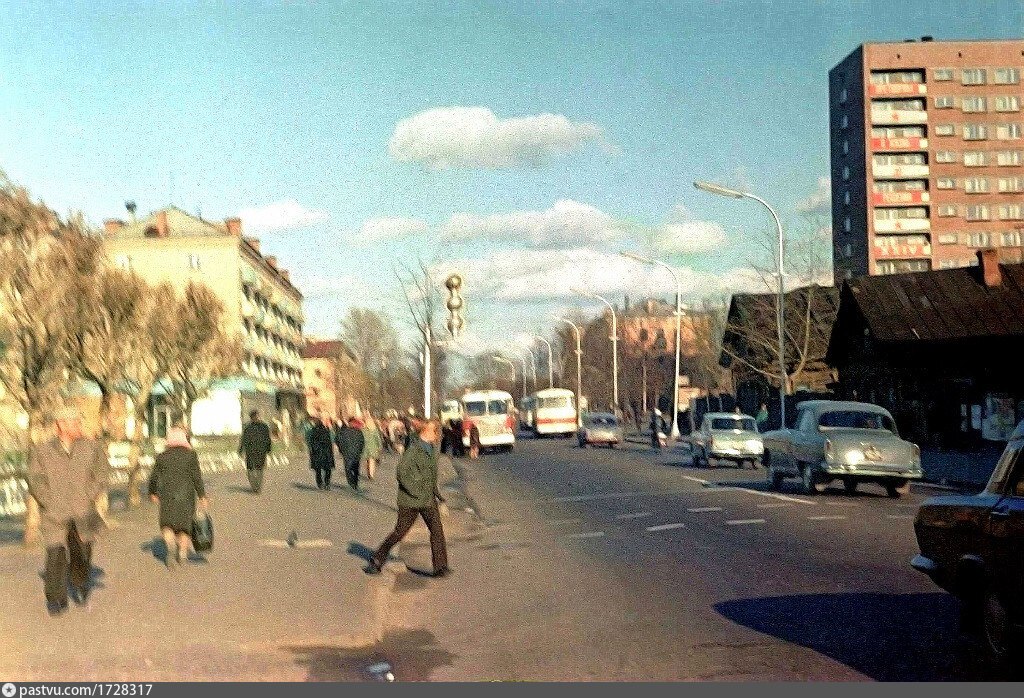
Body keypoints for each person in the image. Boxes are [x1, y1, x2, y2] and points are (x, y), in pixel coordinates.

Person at [26, 406, 110, 615]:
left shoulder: (92, 447)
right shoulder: (42, 450)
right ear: (61, 425)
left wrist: (90, 494)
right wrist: (47, 500)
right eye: (75, 423)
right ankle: (56, 599)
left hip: (83, 510)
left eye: (79, 422)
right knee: (55, 553)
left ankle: (80, 581)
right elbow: (34, 479)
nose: (79, 426)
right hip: (54, 512)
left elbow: (102, 473)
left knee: (82, 551)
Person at [364, 419, 449, 578]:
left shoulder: (431, 449)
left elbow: (431, 476)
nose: (437, 434)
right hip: (410, 500)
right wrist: (415, 491)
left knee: (437, 531)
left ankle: (440, 567)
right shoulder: (414, 449)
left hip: (428, 499)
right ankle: (376, 560)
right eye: (435, 431)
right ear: (426, 431)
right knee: (400, 532)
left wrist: (438, 496)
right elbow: (401, 473)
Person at [148, 427, 207, 568]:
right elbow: (196, 476)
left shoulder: (162, 457)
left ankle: (170, 544)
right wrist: (202, 495)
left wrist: (153, 492)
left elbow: (154, 477)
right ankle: (182, 552)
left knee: (167, 525)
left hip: (167, 495)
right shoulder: (191, 455)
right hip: (186, 496)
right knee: (185, 527)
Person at [238, 410, 272, 494]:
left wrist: (241, 450)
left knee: (255, 469)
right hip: (256, 452)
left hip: (255, 452)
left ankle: (256, 487)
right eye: (256, 416)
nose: (257, 418)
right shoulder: (261, 427)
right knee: (255, 469)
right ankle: (256, 487)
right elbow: (244, 439)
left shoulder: (257, 427)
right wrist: (268, 449)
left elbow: (267, 438)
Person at [306, 414, 336, 490]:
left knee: (318, 469)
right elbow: (332, 439)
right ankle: (327, 483)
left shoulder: (312, 431)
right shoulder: (327, 431)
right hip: (326, 452)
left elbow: (309, 441)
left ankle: (320, 483)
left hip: (317, 452)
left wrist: (312, 449)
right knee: (327, 469)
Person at [336, 416, 366, 490]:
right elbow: (362, 442)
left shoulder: (343, 431)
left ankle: (351, 482)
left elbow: (338, 440)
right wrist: (360, 450)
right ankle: (355, 483)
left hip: (347, 452)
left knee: (348, 468)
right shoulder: (359, 432)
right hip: (356, 453)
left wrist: (341, 449)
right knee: (355, 468)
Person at [361, 415, 383, 481]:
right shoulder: (374, 430)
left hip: (365, 447)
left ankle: (369, 472)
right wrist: (380, 446)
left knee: (367, 461)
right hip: (373, 447)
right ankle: (371, 474)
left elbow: (360, 439)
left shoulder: (363, 430)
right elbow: (378, 439)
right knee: (372, 461)